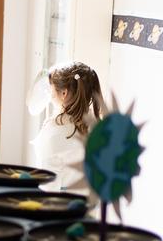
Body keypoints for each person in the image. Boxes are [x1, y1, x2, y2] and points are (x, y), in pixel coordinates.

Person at [28, 62, 106, 197]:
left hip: (58, 203)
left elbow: (46, 175)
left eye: (51, 89)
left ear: (64, 93)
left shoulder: (53, 130)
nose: (49, 95)